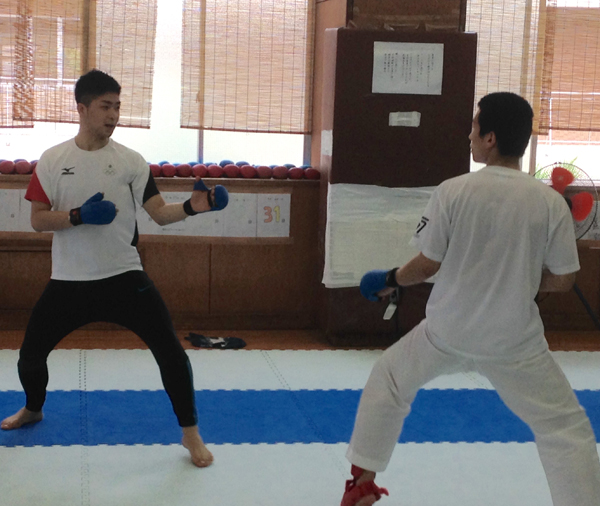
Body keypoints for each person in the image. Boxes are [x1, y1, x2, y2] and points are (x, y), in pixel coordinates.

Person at [341, 92, 600, 506]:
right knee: (565, 428)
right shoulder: (550, 202)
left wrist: (389, 279)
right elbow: (564, 279)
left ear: (491, 138)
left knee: (388, 379)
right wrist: (522, 281)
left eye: (475, 127)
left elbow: (427, 265)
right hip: (514, 342)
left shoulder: (454, 190)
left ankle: (361, 484)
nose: (470, 136)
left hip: (447, 332)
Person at [0, 69, 228, 469]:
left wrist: (194, 207)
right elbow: (37, 220)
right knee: (29, 358)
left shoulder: (130, 161)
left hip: (124, 276)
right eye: (106, 106)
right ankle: (34, 408)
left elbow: (160, 214)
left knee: (172, 354)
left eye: (118, 107)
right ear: (82, 108)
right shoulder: (53, 160)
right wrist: (77, 216)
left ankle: (190, 433)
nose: (114, 115)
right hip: (69, 280)